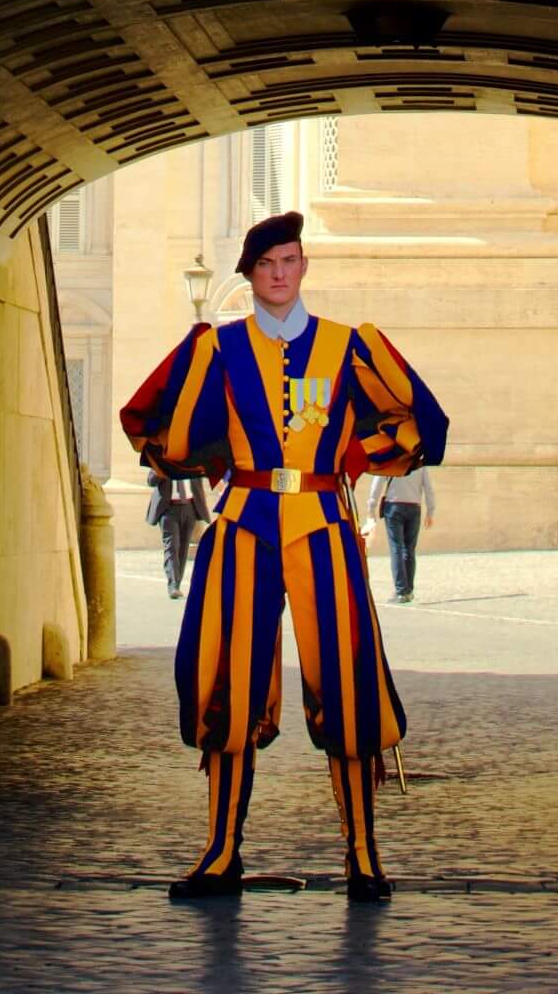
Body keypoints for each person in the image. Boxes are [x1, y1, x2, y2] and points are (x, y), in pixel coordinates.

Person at [121, 211, 448, 904]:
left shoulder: (347, 345)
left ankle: (363, 853)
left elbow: (410, 419)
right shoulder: (220, 347)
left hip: (324, 523)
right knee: (228, 685)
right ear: (251, 274)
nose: (280, 273)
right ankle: (219, 852)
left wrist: (367, 462)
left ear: (303, 268)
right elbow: (168, 427)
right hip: (243, 524)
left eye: (291, 260)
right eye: (268, 263)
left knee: (350, 683)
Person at [364, 465, 436, 604]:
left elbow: (377, 483)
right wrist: (430, 511)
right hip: (414, 508)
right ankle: (408, 590)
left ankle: (401, 591)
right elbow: (429, 489)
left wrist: (371, 507)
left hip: (394, 506)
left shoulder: (392, 460)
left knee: (396, 548)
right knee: (409, 549)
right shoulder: (419, 463)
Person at [147, 464, 210, 599]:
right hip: (168, 510)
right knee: (172, 547)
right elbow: (151, 481)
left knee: (183, 549)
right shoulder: (161, 460)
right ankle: (173, 585)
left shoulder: (192, 460)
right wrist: (163, 468)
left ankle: (177, 584)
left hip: (189, 508)